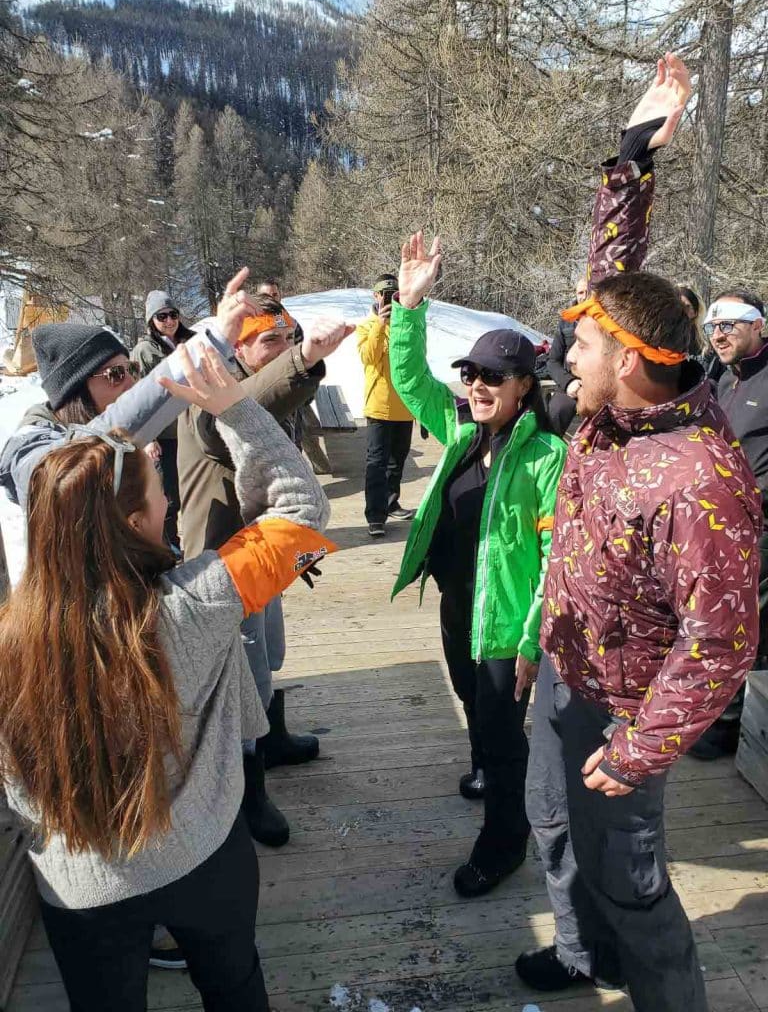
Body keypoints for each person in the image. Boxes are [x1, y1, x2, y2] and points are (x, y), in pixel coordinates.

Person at [517, 56, 762, 1012]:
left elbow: (722, 644)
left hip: (629, 718)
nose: (562, 354)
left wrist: (636, 752)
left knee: (636, 889)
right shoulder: (604, 414)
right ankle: (585, 959)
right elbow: (610, 280)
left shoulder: (703, 478)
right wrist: (630, 162)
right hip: (563, 672)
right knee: (551, 827)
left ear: (627, 362)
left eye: (580, 347)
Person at [0, 343, 335, 1012]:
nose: (168, 507)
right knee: (235, 986)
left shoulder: (12, 644)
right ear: (132, 526)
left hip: (81, 883)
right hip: (205, 855)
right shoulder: (198, 601)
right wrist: (236, 407)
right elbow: (301, 513)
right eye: (160, 499)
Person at [388, 232, 567, 898]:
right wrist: (409, 306)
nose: (478, 385)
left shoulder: (547, 460)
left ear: (526, 385)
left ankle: (503, 844)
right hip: (458, 603)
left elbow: (557, 563)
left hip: (507, 624)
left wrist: (531, 640)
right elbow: (408, 381)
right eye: (471, 374)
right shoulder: (463, 430)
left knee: (501, 732)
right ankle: (488, 770)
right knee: (472, 706)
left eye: (494, 376)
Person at [177, 296, 352, 847]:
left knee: (268, 653)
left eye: (286, 335)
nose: (280, 347)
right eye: (269, 340)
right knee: (242, 670)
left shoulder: (253, 393)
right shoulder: (214, 396)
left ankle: (271, 737)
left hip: (263, 552)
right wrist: (301, 359)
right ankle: (248, 786)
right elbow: (242, 403)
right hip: (222, 560)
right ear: (240, 350)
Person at [689, 289, 768, 758]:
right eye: (712, 325)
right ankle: (718, 718)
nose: (718, 333)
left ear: (759, 325)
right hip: (716, 524)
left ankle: (729, 727)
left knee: (745, 624)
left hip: (759, 527)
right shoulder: (721, 378)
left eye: (730, 324)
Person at [131, 291, 196, 550]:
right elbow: (136, 398)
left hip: (194, 426)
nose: (169, 321)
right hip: (165, 433)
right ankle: (169, 543)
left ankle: (197, 537)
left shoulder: (191, 342)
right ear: (151, 320)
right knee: (169, 494)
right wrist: (148, 438)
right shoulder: (143, 352)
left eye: (173, 315)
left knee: (196, 486)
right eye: (162, 316)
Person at [357, 274, 415, 537]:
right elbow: (368, 357)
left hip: (404, 406)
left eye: (394, 293)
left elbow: (416, 360)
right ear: (375, 296)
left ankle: (391, 503)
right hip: (378, 406)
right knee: (377, 463)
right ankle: (375, 515)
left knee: (397, 461)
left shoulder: (405, 325)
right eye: (384, 293)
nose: (388, 298)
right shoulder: (366, 326)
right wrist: (380, 324)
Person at [547, 278, 588, 436]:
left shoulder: (607, 321)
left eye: (587, 292)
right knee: (553, 417)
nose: (583, 296)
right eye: (580, 292)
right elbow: (552, 361)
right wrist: (568, 382)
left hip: (598, 385)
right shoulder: (566, 323)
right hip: (569, 384)